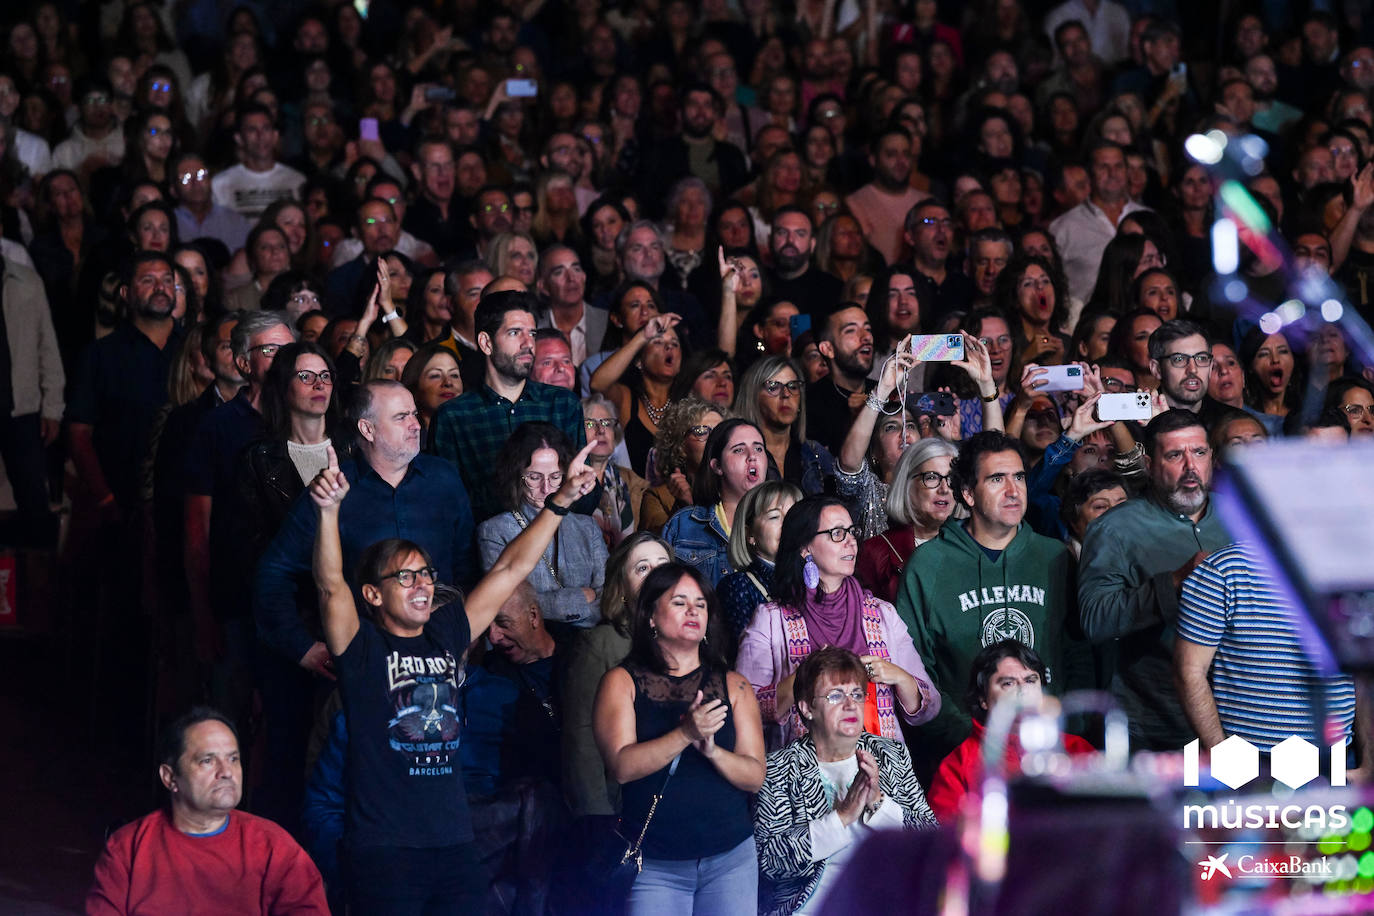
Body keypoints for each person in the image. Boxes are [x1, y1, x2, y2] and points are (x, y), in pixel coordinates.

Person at [311, 434, 596, 913]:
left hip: (455, 845)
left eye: (425, 573)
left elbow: (509, 569)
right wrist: (327, 511)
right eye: (405, 576)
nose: (422, 583)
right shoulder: (362, 650)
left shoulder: (445, 632)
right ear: (373, 596)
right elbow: (329, 585)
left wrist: (561, 501)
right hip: (386, 849)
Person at [254, 379, 477, 684]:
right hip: (365, 661)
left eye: (414, 414)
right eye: (401, 417)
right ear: (367, 429)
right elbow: (273, 573)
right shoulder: (333, 489)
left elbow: (467, 563)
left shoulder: (444, 478)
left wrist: (469, 631)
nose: (416, 425)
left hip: (444, 655)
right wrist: (302, 647)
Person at [895, 431, 1090, 770]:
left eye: (1019, 478)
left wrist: (1067, 728)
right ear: (968, 494)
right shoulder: (928, 564)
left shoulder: (1054, 557)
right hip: (960, 756)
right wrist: (965, 739)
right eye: (997, 479)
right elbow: (917, 669)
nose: (1013, 491)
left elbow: (1077, 655)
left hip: (1049, 751)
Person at [592, 562, 766, 915]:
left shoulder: (735, 684)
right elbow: (621, 767)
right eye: (679, 602)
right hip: (655, 862)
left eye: (700, 604)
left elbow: (755, 776)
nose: (693, 611)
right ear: (651, 617)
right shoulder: (621, 682)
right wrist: (685, 733)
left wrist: (713, 751)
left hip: (731, 858)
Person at [1078, 409, 1229, 750]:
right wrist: (1176, 581)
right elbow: (1095, 619)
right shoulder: (1114, 528)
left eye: (1199, 453)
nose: (1191, 468)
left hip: (1243, 716)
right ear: (1149, 464)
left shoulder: (1242, 515)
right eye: (1175, 455)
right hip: (1156, 725)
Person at [738, 495, 939, 751]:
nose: (850, 542)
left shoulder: (882, 614)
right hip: (805, 777)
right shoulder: (770, 619)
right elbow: (744, 709)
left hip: (880, 769)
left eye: (852, 532)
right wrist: (803, 677)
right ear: (804, 548)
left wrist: (898, 676)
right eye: (836, 533)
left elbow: (930, 707)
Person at [86, 708, 329, 914]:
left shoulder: (275, 847)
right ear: (170, 777)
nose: (226, 771)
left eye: (233, 759)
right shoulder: (128, 848)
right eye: (207, 761)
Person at [754, 646, 937, 915]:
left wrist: (878, 803)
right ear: (807, 708)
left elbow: (930, 840)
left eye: (856, 694)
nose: (851, 704)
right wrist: (840, 817)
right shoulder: (779, 768)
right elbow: (769, 860)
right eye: (836, 695)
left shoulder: (890, 754)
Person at [1176, 542, 1366, 755]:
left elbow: (1365, 676)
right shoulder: (1224, 569)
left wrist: (1369, 763)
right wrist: (1220, 754)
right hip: (1244, 760)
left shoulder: (1353, 574)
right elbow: (1189, 671)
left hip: (1337, 758)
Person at [432, 290, 585, 522]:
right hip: (487, 549)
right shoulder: (454, 417)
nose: (528, 344)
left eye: (532, 333)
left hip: (560, 543)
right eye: (515, 333)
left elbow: (584, 492)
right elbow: (449, 504)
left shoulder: (563, 403)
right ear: (486, 343)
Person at [561, 533, 674, 821]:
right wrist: (596, 815)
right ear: (621, 587)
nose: (656, 575)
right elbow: (581, 736)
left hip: (683, 799)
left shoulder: (694, 635)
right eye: (642, 568)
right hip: (629, 804)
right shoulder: (601, 643)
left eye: (663, 565)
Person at [925, 639, 1097, 824]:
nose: (1023, 691)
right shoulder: (956, 766)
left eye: (1031, 680)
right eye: (1008, 683)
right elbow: (945, 842)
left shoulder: (1078, 749)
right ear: (983, 698)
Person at [477, 423, 608, 628]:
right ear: (516, 476)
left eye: (555, 477)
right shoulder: (494, 531)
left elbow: (609, 601)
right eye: (534, 477)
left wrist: (542, 604)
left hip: (589, 644)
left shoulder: (588, 527)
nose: (546, 488)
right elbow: (505, 605)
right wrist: (579, 598)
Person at [0, 255, 63, 548]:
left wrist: (52, 406)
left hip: (21, 408)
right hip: (20, 404)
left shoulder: (26, 281)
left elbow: (46, 346)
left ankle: (39, 586)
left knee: (34, 503)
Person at [854, 438, 961, 603]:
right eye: (932, 477)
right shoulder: (875, 552)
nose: (945, 489)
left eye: (952, 479)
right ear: (907, 485)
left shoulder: (972, 544)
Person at [663, 418, 769, 586]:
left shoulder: (785, 521)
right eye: (739, 450)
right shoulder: (683, 525)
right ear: (717, 466)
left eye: (758, 448)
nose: (752, 456)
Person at [1049, 140, 1149, 303]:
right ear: (1089, 174)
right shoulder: (1063, 227)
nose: (1113, 173)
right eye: (1103, 167)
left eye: (1119, 166)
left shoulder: (1148, 218)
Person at [733, 355, 837, 496]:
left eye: (793, 386)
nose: (786, 394)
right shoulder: (738, 456)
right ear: (753, 397)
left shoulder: (814, 453)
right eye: (773, 387)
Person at [718, 481, 802, 637]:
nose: (788, 524)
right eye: (775, 516)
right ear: (749, 534)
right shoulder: (737, 586)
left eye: (793, 515)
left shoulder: (815, 577)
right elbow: (748, 655)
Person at [641, 396, 729, 535]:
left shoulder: (737, 488)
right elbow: (656, 545)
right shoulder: (660, 497)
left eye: (720, 431)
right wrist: (684, 507)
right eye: (701, 431)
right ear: (681, 446)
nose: (714, 439)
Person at [803, 304, 876, 457]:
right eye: (851, 330)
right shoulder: (808, 404)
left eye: (867, 329)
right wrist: (854, 420)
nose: (866, 337)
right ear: (827, 349)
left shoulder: (885, 391)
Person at [211, 103, 306, 219]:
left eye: (266, 128)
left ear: (275, 135)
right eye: (252, 130)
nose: (260, 136)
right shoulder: (220, 184)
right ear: (239, 138)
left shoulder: (297, 181)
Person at [583, 392, 648, 546]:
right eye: (590, 424)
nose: (601, 430)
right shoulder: (561, 481)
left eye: (606, 423)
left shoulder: (636, 484)